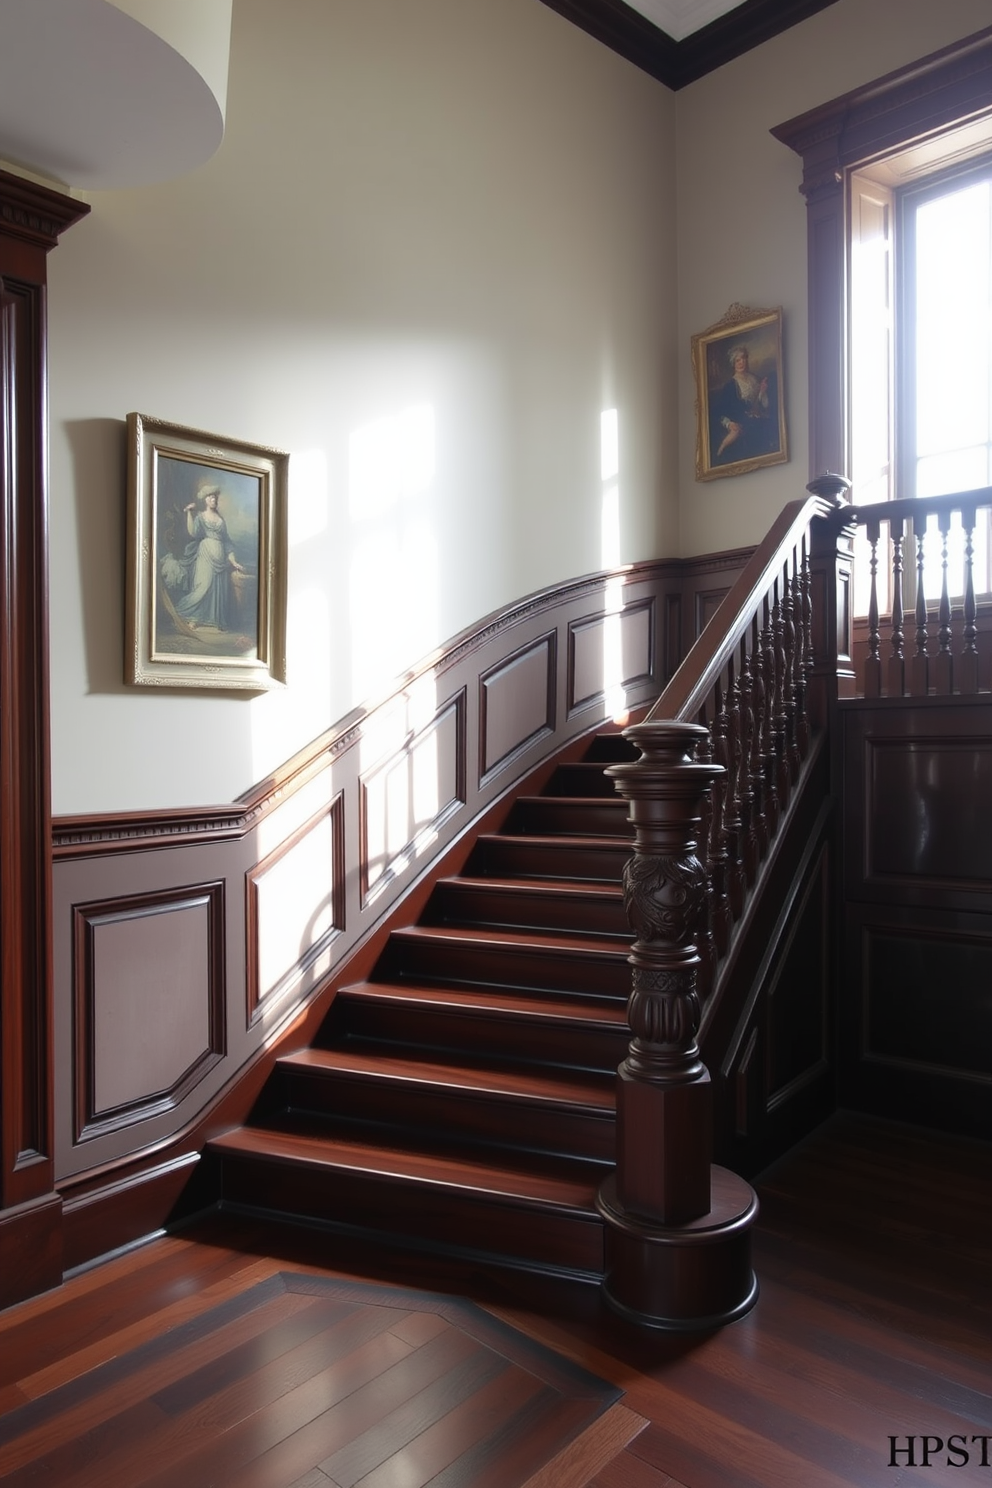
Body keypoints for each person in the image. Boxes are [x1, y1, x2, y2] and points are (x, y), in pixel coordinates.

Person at [171, 481, 246, 631]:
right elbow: (193, 533)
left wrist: (233, 560)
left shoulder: (221, 520)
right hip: (205, 556)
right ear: (206, 500)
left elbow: (227, 542)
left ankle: (213, 622)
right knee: (203, 586)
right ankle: (192, 618)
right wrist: (189, 514)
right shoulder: (201, 516)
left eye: (216, 498)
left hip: (220, 561)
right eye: (212, 497)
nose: (214, 500)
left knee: (216, 591)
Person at [709, 343, 778, 466]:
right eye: (738, 360)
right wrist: (729, 424)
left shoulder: (755, 379)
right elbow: (720, 411)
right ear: (733, 364)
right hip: (743, 421)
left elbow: (763, 404)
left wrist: (762, 391)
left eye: (744, 359)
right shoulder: (730, 385)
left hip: (760, 417)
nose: (741, 363)